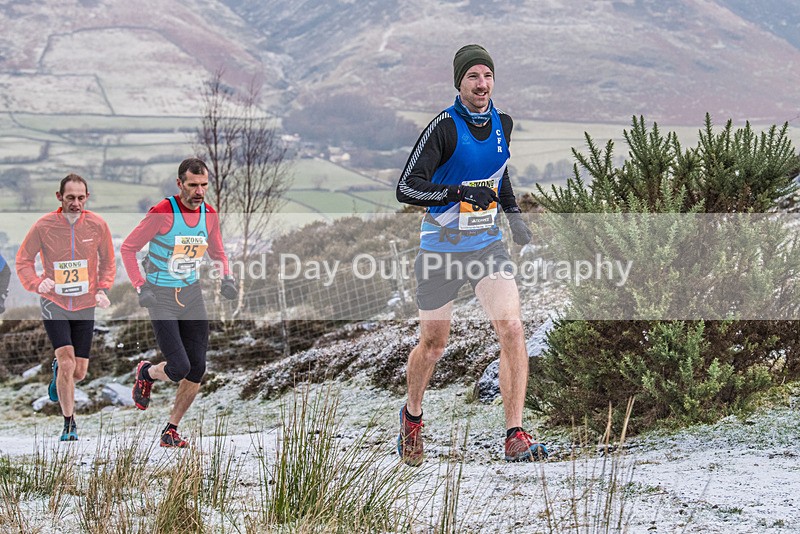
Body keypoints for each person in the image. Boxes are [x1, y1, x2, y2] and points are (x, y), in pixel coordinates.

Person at [395, 44, 547, 465]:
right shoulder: (443, 127)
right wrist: (458, 193)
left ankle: (514, 433)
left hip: (486, 245)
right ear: (459, 83)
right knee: (433, 344)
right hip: (440, 248)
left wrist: (514, 215)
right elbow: (406, 187)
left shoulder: (504, 123)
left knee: (512, 329)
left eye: (487, 76)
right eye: (472, 77)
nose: (482, 84)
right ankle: (411, 418)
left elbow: (499, 174)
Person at [121, 157, 237, 448]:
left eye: (204, 185)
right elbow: (128, 248)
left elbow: (219, 253)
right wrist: (140, 286)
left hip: (191, 293)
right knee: (178, 368)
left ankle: (170, 430)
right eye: (193, 185)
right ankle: (146, 372)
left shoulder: (209, 214)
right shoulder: (162, 212)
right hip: (160, 296)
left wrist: (227, 278)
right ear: (180, 184)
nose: (199, 191)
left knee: (197, 368)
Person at [16, 174, 115, 441]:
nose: (76, 203)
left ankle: (58, 373)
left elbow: (108, 261)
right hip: (54, 303)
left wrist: (103, 289)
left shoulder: (97, 225)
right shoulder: (44, 226)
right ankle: (69, 424)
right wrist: (38, 283)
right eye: (70, 197)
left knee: (78, 371)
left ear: (87, 198)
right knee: (68, 362)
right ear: (59, 197)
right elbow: (23, 260)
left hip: (84, 305)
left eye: (81, 198)